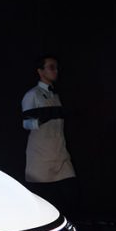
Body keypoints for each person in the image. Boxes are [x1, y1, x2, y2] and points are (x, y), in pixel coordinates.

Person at [22, 55, 79, 219]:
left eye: (56, 67)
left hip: (60, 153)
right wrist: (42, 119)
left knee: (71, 196)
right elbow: (25, 123)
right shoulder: (32, 95)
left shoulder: (56, 95)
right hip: (41, 156)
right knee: (44, 200)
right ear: (40, 71)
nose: (56, 71)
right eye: (51, 67)